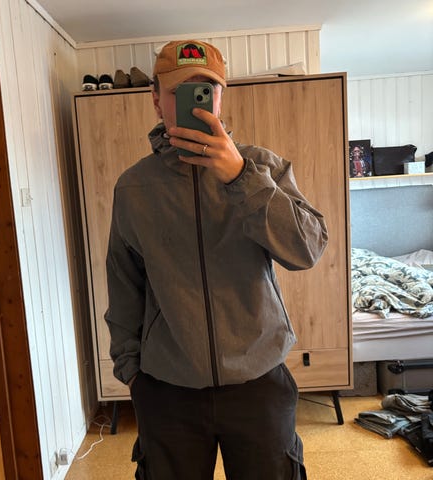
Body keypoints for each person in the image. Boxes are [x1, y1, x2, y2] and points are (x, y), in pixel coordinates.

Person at [105, 39, 328, 480]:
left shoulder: (262, 167)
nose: (192, 102)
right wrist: (132, 373)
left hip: (258, 381)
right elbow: (124, 282)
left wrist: (241, 177)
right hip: (168, 388)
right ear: (156, 99)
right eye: (178, 91)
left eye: (205, 89)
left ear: (221, 97)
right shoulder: (133, 188)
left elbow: (307, 248)